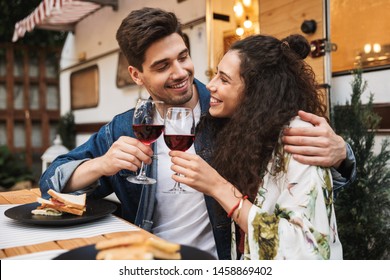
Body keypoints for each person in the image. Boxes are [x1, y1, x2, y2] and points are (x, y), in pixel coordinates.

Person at [39, 7, 355, 260]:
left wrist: (342, 155)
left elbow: (302, 190)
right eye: (162, 66)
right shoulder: (125, 128)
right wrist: (101, 164)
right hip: (152, 260)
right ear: (137, 74)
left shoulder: (233, 112)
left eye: (183, 57)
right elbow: (50, 184)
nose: (180, 73)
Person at [169, 34, 343, 259]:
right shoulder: (243, 132)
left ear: (257, 92)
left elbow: (307, 250)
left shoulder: (300, 137)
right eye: (215, 75)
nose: (210, 85)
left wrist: (218, 187)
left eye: (224, 79)